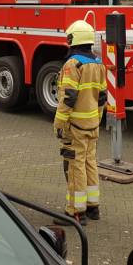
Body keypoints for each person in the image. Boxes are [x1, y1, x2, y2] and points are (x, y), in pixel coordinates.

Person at [53, 19, 107, 225]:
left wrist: (59, 123)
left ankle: (75, 212)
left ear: (73, 40)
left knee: (75, 166)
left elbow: (68, 97)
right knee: (90, 163)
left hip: (75, 125)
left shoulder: (72, 64)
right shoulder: (98, 62)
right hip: (93, 123)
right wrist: (97, 118)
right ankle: (93, 208)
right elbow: (102, 96)